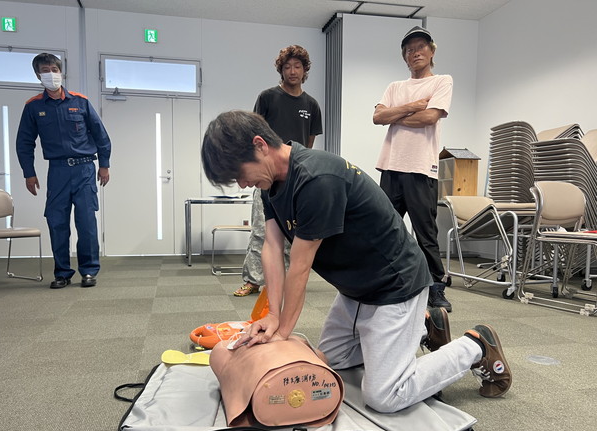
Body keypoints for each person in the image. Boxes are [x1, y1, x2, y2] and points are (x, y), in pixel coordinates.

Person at [201, 110, 512, 414]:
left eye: (239, 174)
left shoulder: (315, 178)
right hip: (355, 291)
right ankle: (423, 326)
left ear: (260, 146)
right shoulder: (271, 184)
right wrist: (272, 314)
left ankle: (475, 346)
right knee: (326, 363)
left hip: (395, 287)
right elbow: (271, 246)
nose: (242, 184)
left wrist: (281, 331)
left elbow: (299, 266)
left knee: (385, 396)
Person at [373, 26, 453, 312]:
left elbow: (429, 118)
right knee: (385, 229)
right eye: (409, 50)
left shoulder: (442, 81)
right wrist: (413, 105)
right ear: (404, 57)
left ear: (431, 51)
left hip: (421, 169)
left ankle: (435, 288)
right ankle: (385, 282)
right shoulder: (395, 87)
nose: (415, 53)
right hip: (391, 167)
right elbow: (377, 117)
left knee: (425, 233)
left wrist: (395, 115)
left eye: (421, 47)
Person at [16, 52, 111, 289]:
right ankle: (62, 273)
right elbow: (24, 142)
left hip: (84, 169)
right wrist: (29, 173)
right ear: (38, 75)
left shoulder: (80, 102)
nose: (51, 74)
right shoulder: (33, 107)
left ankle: (89, 271)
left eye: (54, 70)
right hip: (57, 171)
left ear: (61, 72)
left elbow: (101, 135)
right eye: (45, 70)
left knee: (86, 222)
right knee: (56, 222)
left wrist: (104, 165)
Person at [234, 45, 322, 297]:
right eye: (287, 67)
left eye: (297, 66)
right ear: (281, 70)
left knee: (292, 231)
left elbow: (309, 143)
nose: (292, 71)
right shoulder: (268, 97)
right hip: (266, 174)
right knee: (261, 230)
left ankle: (284, 280)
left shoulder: (311, 105)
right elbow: (253, 133)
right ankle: (252, 280)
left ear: (305, 70)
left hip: (295, 177)